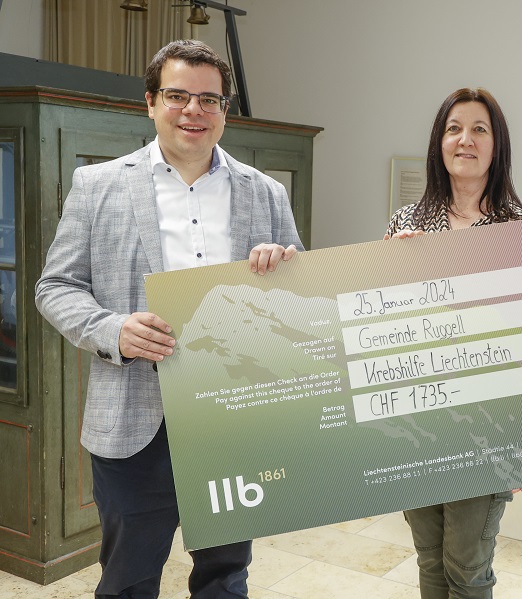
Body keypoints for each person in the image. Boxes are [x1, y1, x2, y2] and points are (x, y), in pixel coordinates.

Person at [35, 40, 301, 599]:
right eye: (177, 95)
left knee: (225, 578)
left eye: (209, 99)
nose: (193, 110)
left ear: (225, 110)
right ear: (151, 102)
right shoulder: (98, 186)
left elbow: (298, 302)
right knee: (127, 582)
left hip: (231, 422)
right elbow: (55, 287)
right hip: (133, 425)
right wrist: (114, 331)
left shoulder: (267, 193)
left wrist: (286, 274)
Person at [385, 88, 522, 599]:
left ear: (496, 146)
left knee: (467, 567)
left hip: (482, 425)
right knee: (429, 559)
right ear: (439, 142)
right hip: (418, 420)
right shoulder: (405, 223)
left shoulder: (515, 230)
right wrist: (389, 272)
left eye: (479, 129)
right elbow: (384, 330)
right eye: (454, 128)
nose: (465, 139)